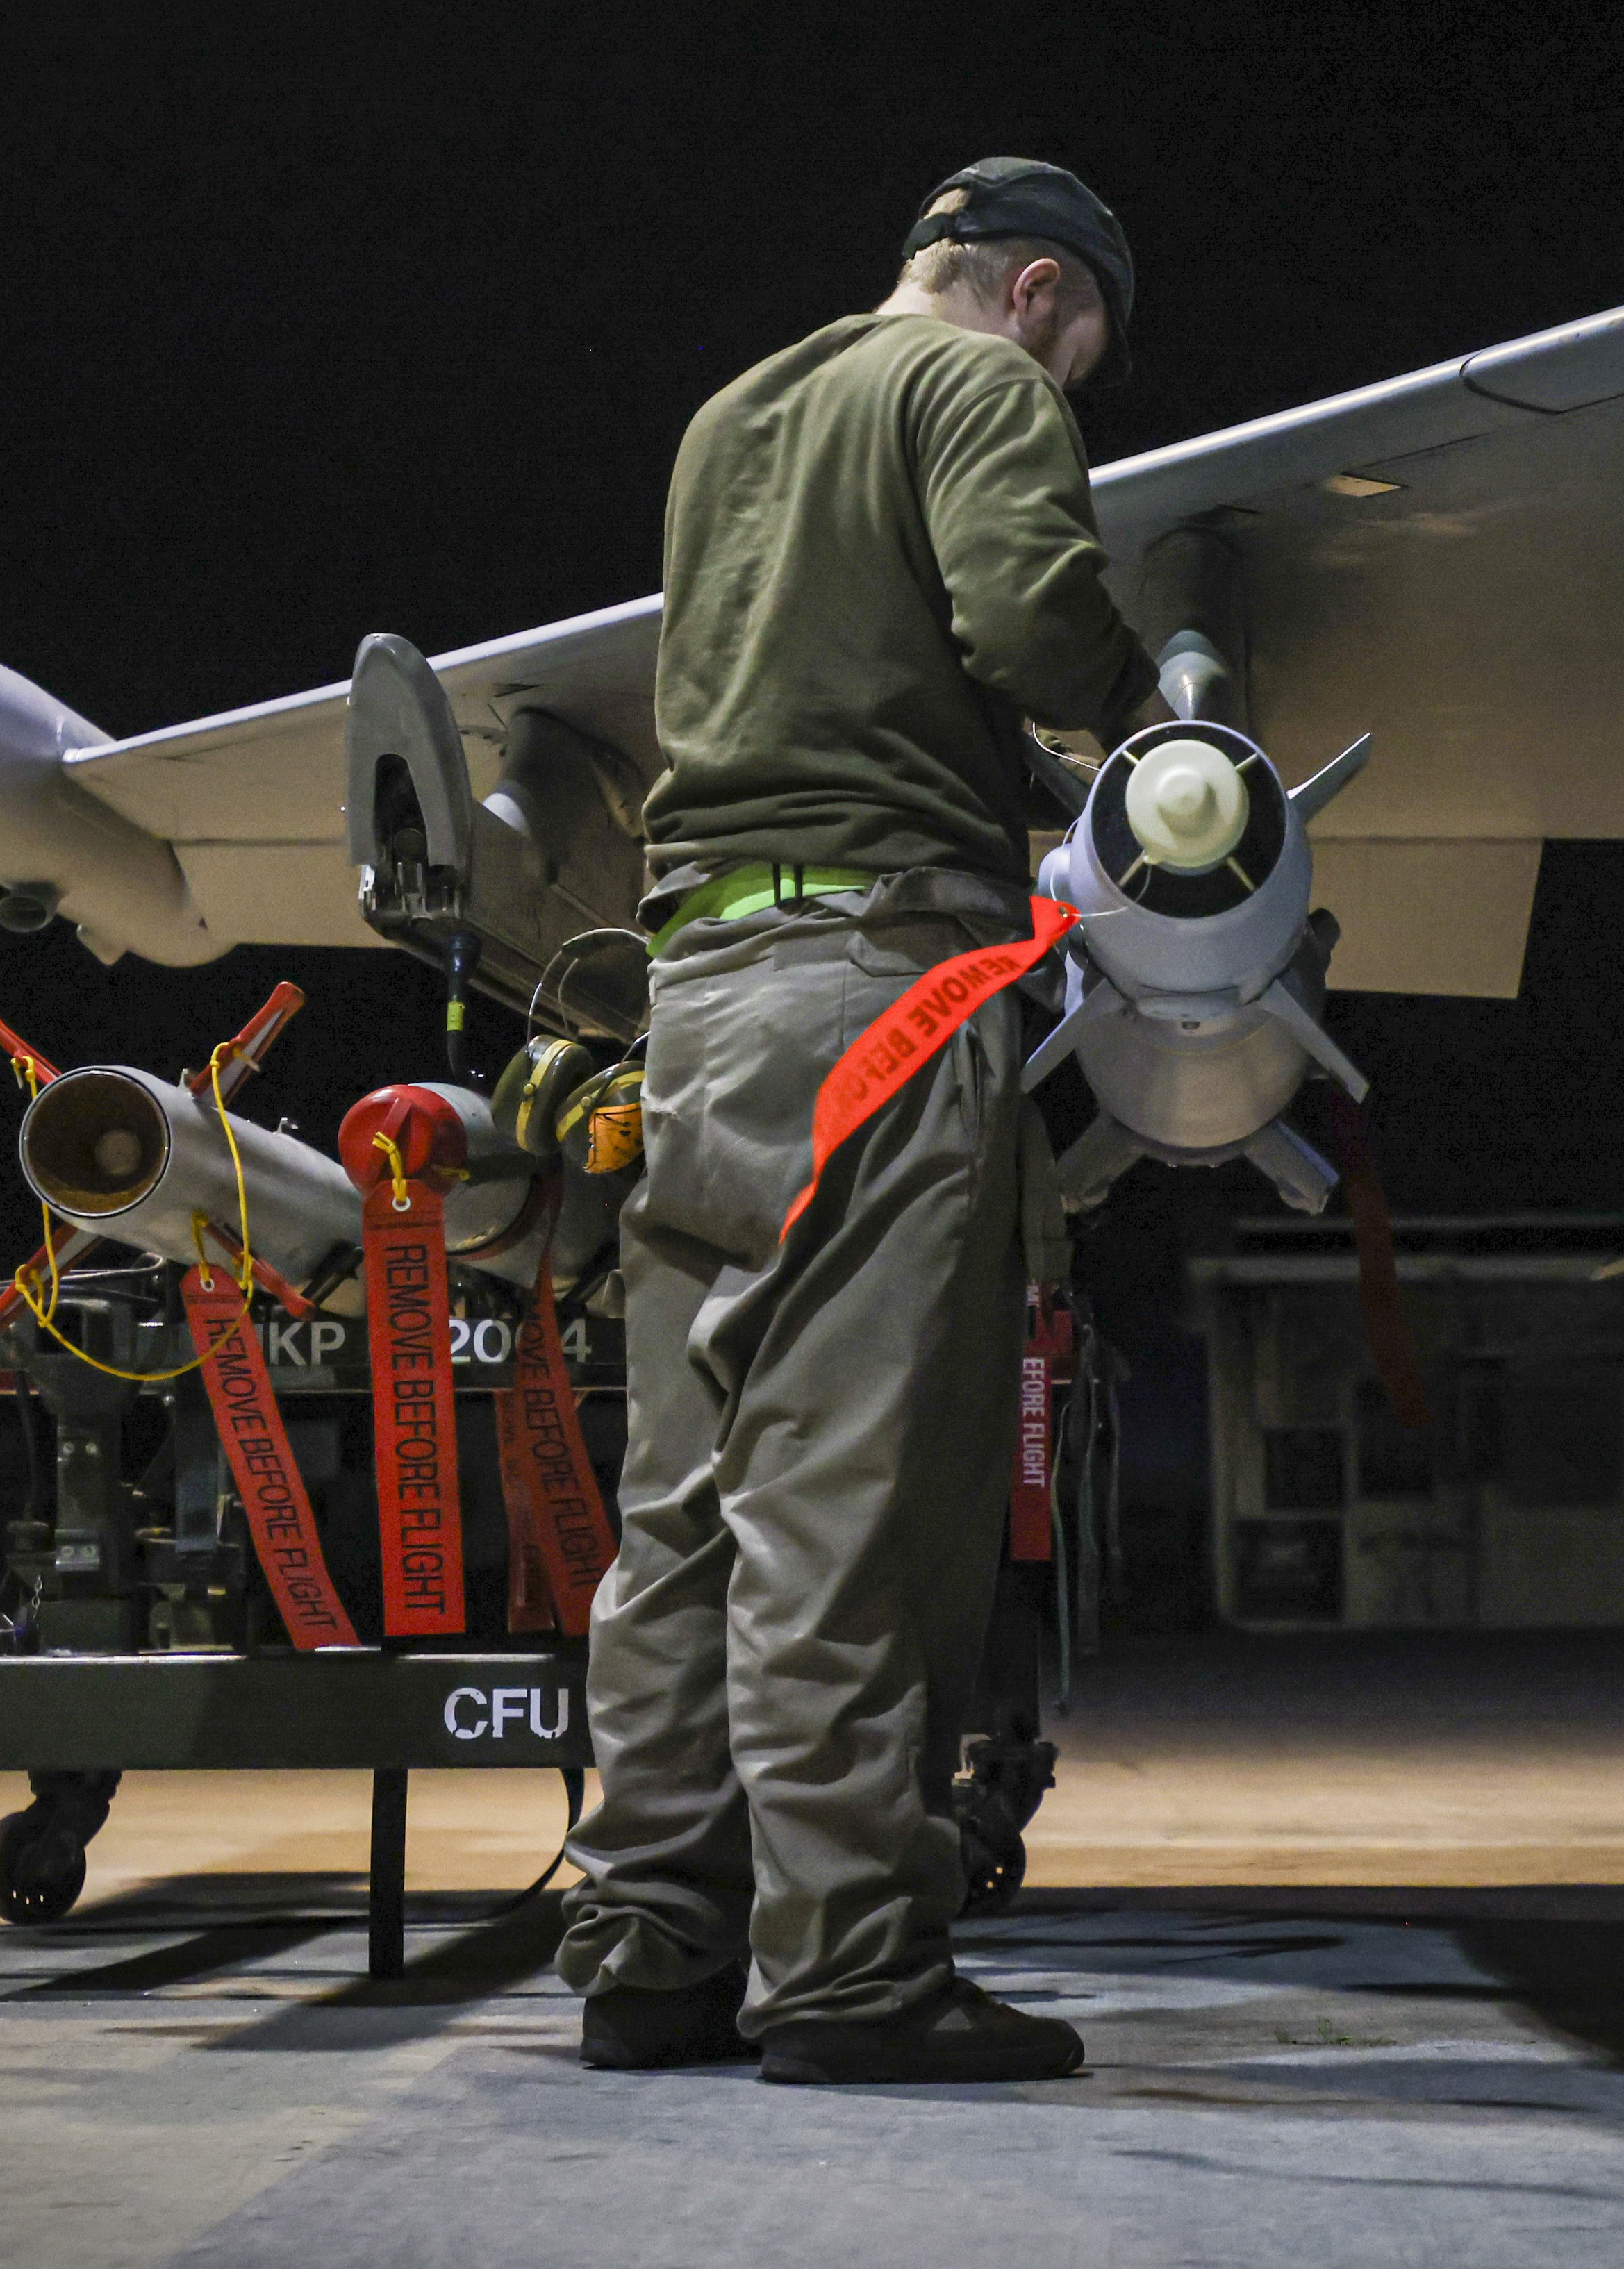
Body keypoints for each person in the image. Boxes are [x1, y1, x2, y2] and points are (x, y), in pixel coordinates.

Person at [552, 157, 1153, 2086]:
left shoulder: (735, 416)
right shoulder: (981, 389)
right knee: (854, 1500)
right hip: (882, 987)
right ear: (1036, 289)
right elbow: (1034, 622)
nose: (1076, 390)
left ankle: (651, 1935)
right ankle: (852, 1977)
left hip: (699, 1000)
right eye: (1089, 354)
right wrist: (1165, 737)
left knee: (683, 1511)